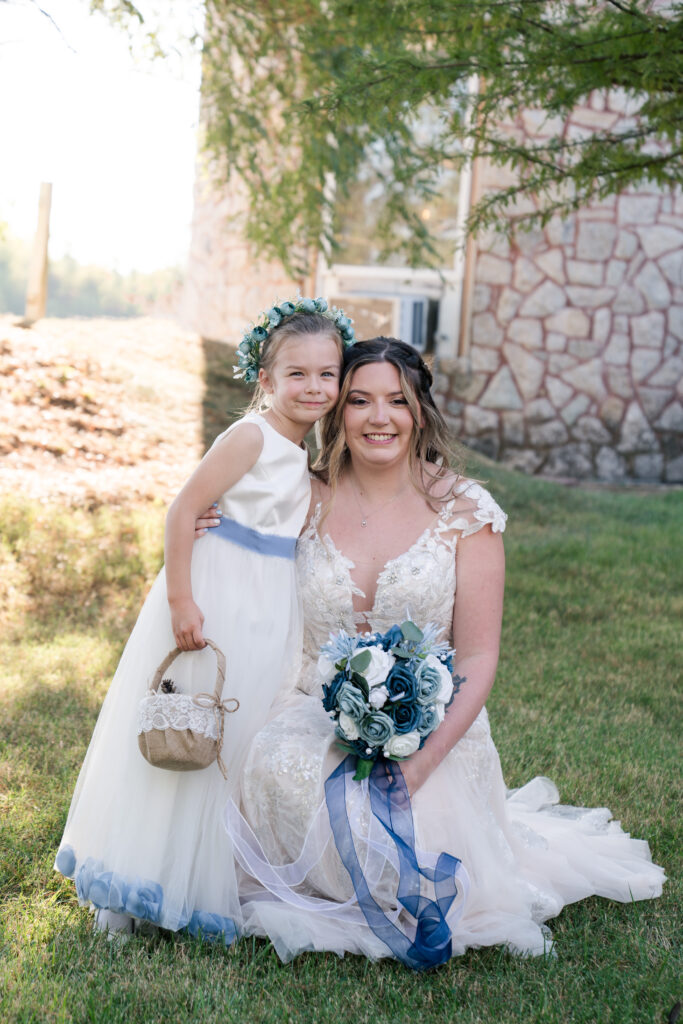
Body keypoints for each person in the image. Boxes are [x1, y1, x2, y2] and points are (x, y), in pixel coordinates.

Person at [209, 336, 665, 967]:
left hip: (431, 728)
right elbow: (238, 532)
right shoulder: (302, 496)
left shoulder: (465, 511)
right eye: (360, 400)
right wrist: (215, 522)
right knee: (278, 770)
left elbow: (477, 660)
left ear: (419, 410)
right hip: (305, 708)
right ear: (337, 410)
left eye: (397, 400)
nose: (379, 417)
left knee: (395, 827)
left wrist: (421, 762)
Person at [54, 298, 354, 940]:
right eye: (295, 373)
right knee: (183, 725)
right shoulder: (249, 436)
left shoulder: (308, 457)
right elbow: (183, 507)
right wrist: (181, 600)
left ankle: (191, 880)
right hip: (217, 593)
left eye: (326, 374)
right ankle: (133, 884)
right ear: (265, 378)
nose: (313, 387)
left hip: (268, 604)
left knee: (228, 743)